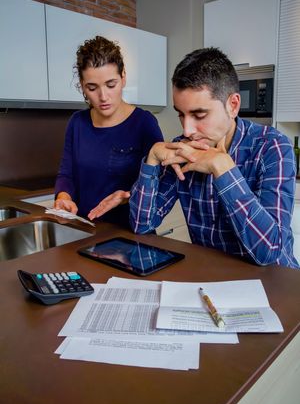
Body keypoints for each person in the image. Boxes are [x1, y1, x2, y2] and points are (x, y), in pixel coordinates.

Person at [129, 47, 299, 268]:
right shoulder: (184, 149)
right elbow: (142, 226)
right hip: (212, 278)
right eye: (181, 114)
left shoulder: (273, 146)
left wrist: (223, 168)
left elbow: (269, 252)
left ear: (233, 105)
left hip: (276, 285)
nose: (188, 129)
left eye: (199, 115)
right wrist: (152, 158)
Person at [54, 35, 163, 227]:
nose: (103, 96)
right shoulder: (77, 123)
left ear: (123, 78)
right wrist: (64, 196)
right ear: (82, 86)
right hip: (84, 232)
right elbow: (66, 174)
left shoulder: (144, 123)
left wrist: (128, 196)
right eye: (92, 87)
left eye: (111, 85)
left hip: (128, 234)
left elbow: (159, 182)